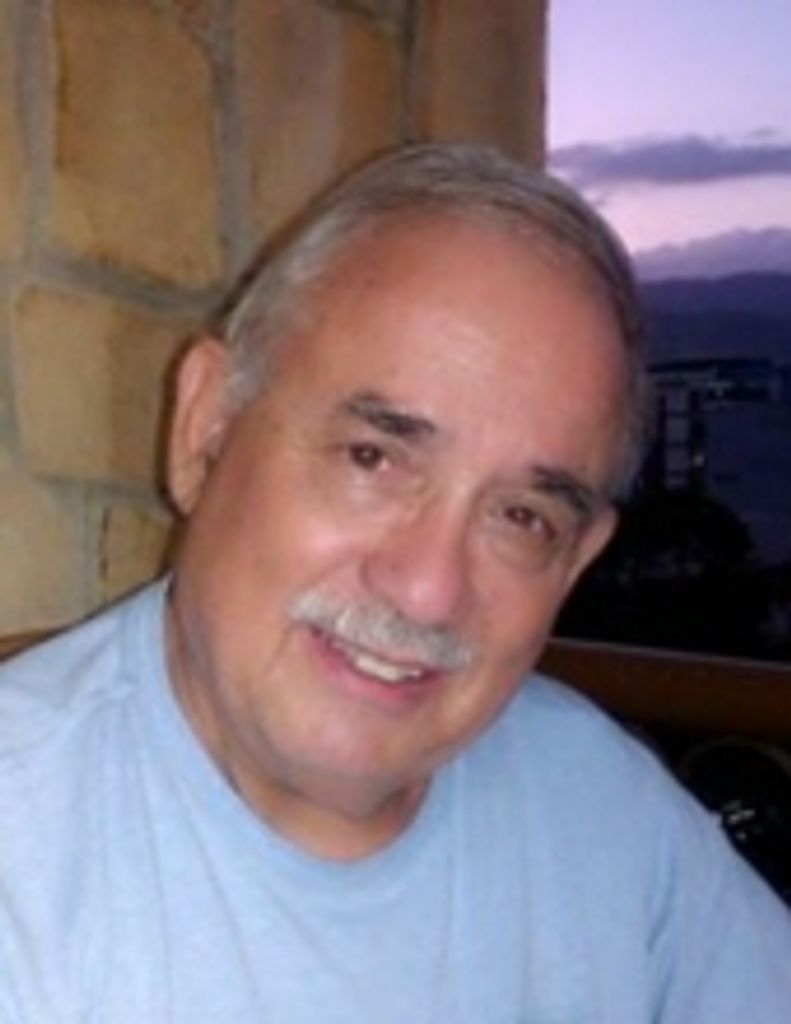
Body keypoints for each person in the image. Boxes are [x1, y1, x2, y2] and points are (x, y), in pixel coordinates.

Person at [1, 142, 789, 1023]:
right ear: (206, 429)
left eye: (521, 516)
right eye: (372, 458)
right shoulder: (23, 860)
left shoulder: (607, 816)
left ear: (576, 561)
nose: (427, 590)